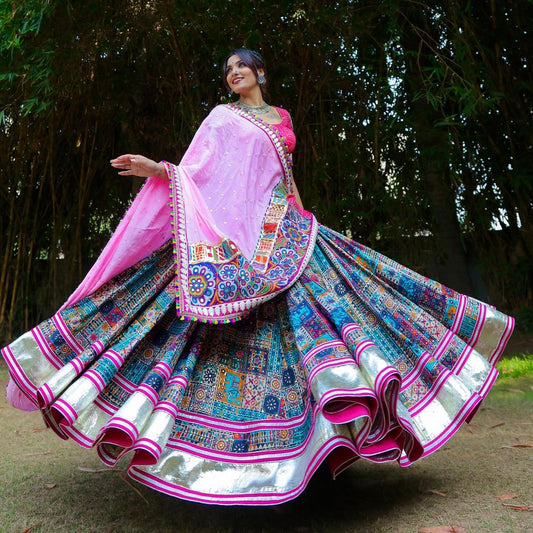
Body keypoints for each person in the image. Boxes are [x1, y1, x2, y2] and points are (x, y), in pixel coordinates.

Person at [2, 48, 514, 506]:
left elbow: (280, 179)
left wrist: (301, 220)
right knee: (194, 330)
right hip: (233, 234)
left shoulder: (280, 118)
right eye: (226, 70)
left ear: (260, 72)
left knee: (329, 318)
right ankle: (226, 462)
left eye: (240, 67)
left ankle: (318, 447)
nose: (233, 74)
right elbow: (200, 172)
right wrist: (159, 170)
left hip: (285, 232)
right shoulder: (221, 119)